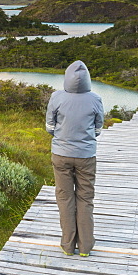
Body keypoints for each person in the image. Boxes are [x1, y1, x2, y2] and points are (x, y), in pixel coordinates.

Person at [45, 60, 104, 257]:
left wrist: (63, 138)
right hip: (86, 156)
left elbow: (49, 127)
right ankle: (86, 248)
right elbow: (98, 129)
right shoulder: (95, 98)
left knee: (64, 197)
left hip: (61, 155)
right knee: (85, 198)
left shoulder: (56, 97)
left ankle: (68, 245)